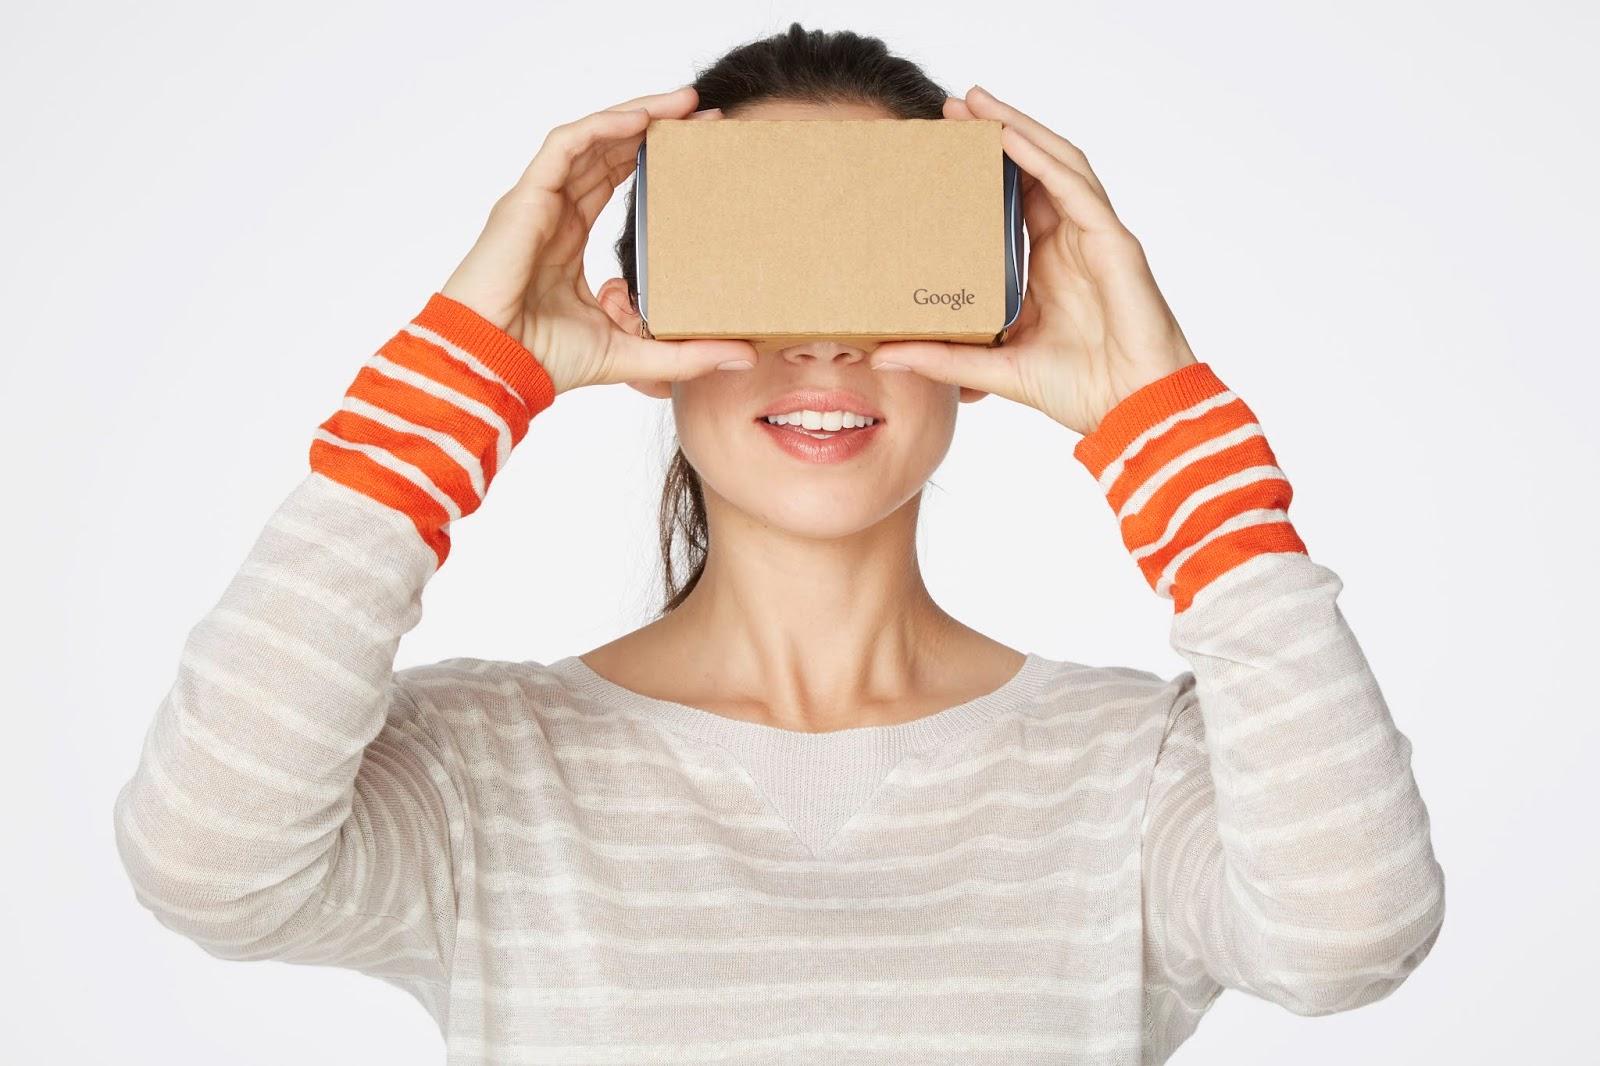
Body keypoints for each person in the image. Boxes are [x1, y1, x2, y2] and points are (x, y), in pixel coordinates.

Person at [111, 22, 1445, 1064]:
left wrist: (1164, 424)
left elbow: (1353, 934)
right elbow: (207, 861)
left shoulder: (1133, 777)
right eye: (763, 263)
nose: (823, 342)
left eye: (878, 266)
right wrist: (463, 372)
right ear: (642, 315)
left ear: (989, 320)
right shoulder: (486, 771)